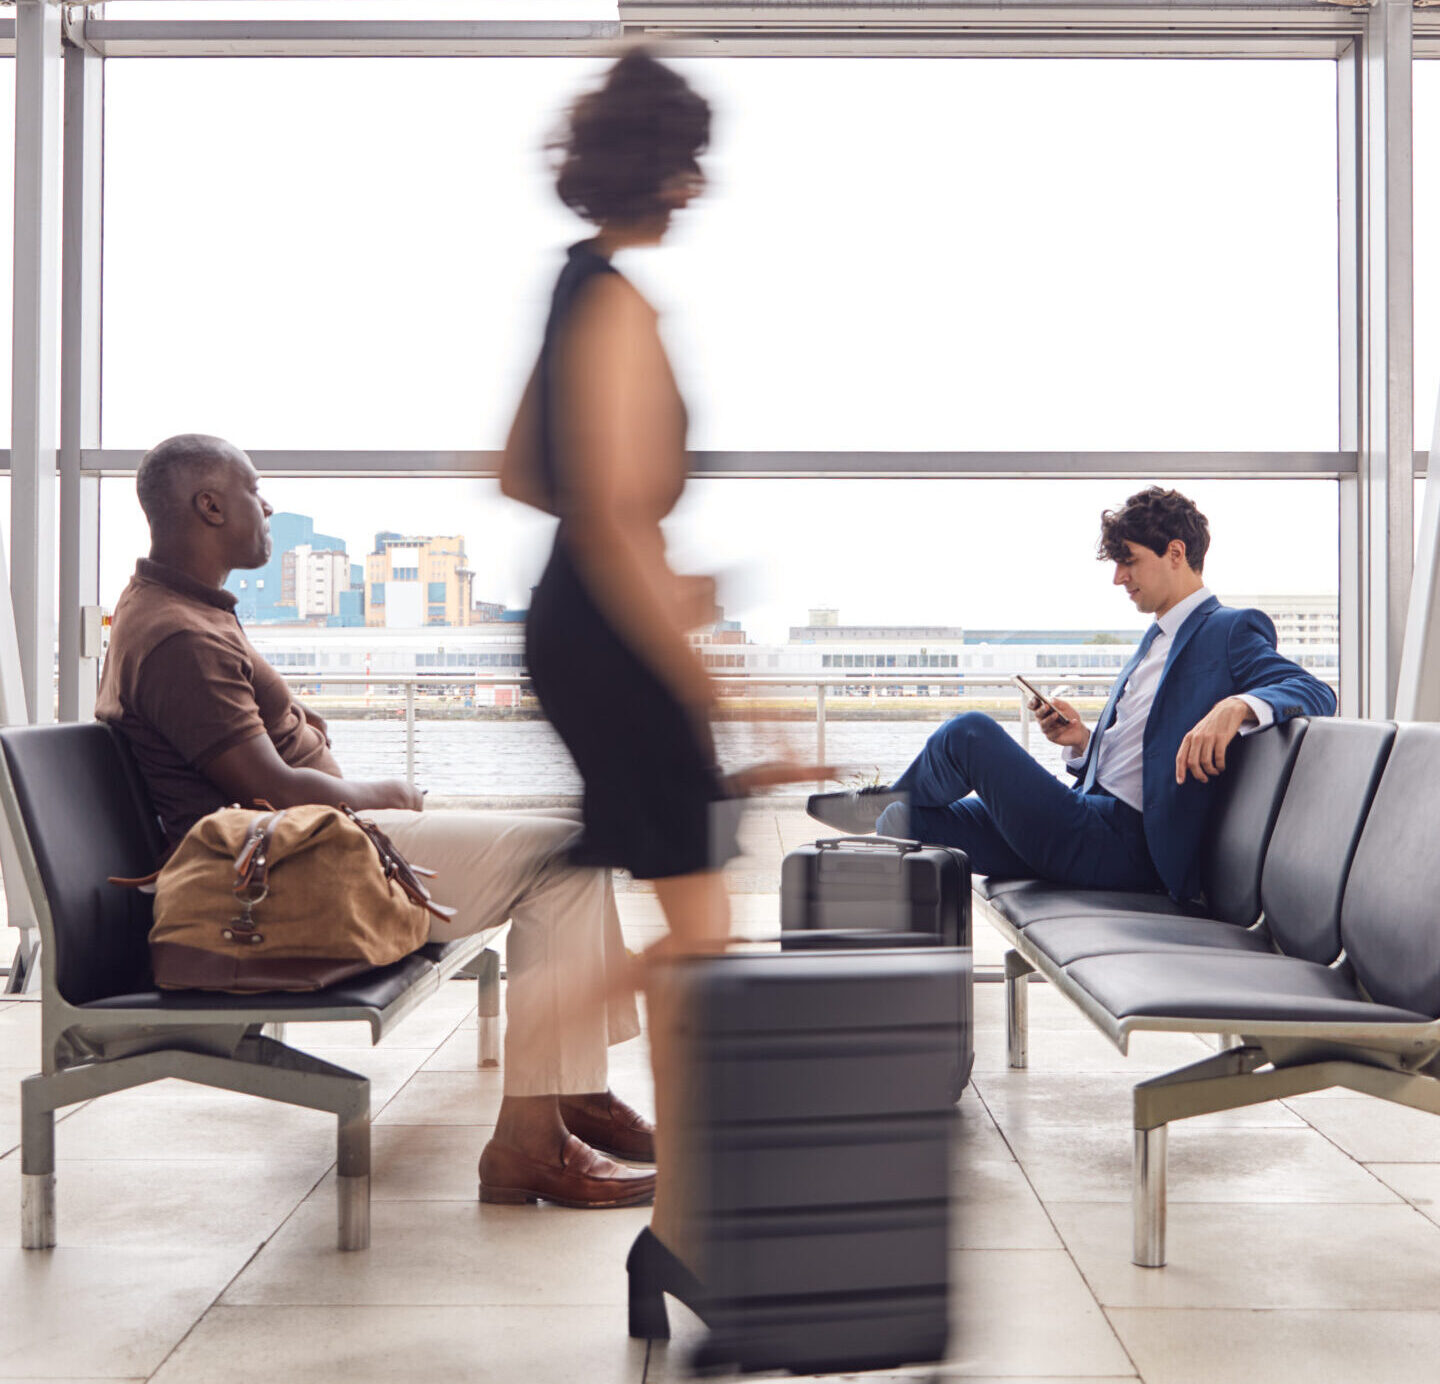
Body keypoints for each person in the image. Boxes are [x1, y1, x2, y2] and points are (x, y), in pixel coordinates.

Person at [97, 433, 656, 1210]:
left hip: (315, 857)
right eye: (256, 491)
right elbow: (272, 791)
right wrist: (383, 792)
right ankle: (534, 1139)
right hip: (284, 883)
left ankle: (571, 1087)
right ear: (210, 505)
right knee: (565, 858)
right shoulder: (179, 636)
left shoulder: (180, 613)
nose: (268, 506)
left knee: (567, 852)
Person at [501, 48, 821, 1336]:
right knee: (700, 947)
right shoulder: (618, 305)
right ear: (658, 163)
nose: (700, 181)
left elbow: (531, 475)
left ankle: (683, 1231)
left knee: (701, 946)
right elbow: (618, 519)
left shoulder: (576, 292)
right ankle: (675, 1218)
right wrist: (707, 693)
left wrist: (665, 589)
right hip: (610, 639)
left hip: (587, 623)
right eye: (690, 156)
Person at [807, 487, 1338, 904]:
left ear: (1175, 553)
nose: (1118, 578)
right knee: (910, 824)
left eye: (1128, 561)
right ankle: (886, 808)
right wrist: (1084, 741)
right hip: (1086, 816)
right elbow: (1139, 752)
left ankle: (880, 799)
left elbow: (1314, 692)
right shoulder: (1156, 640)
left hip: (1123, 845)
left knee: (970, 733)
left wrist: (1237, 705)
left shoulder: (1227, 629)